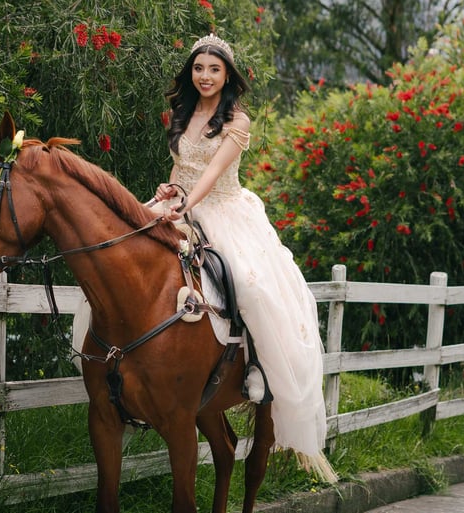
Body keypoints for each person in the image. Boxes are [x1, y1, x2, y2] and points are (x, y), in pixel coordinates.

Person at [153, 33, 337, 483]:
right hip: (181, 202)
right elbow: (182, 167)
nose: (205, 76)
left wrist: (186, 202)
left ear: (227, 75)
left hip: (224, 210)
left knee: (250, 286)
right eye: (199, 69)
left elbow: (213, 173)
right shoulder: (183, 113)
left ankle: (256, 368)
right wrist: (168, 190)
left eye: (214, 70)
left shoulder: (238, 120)